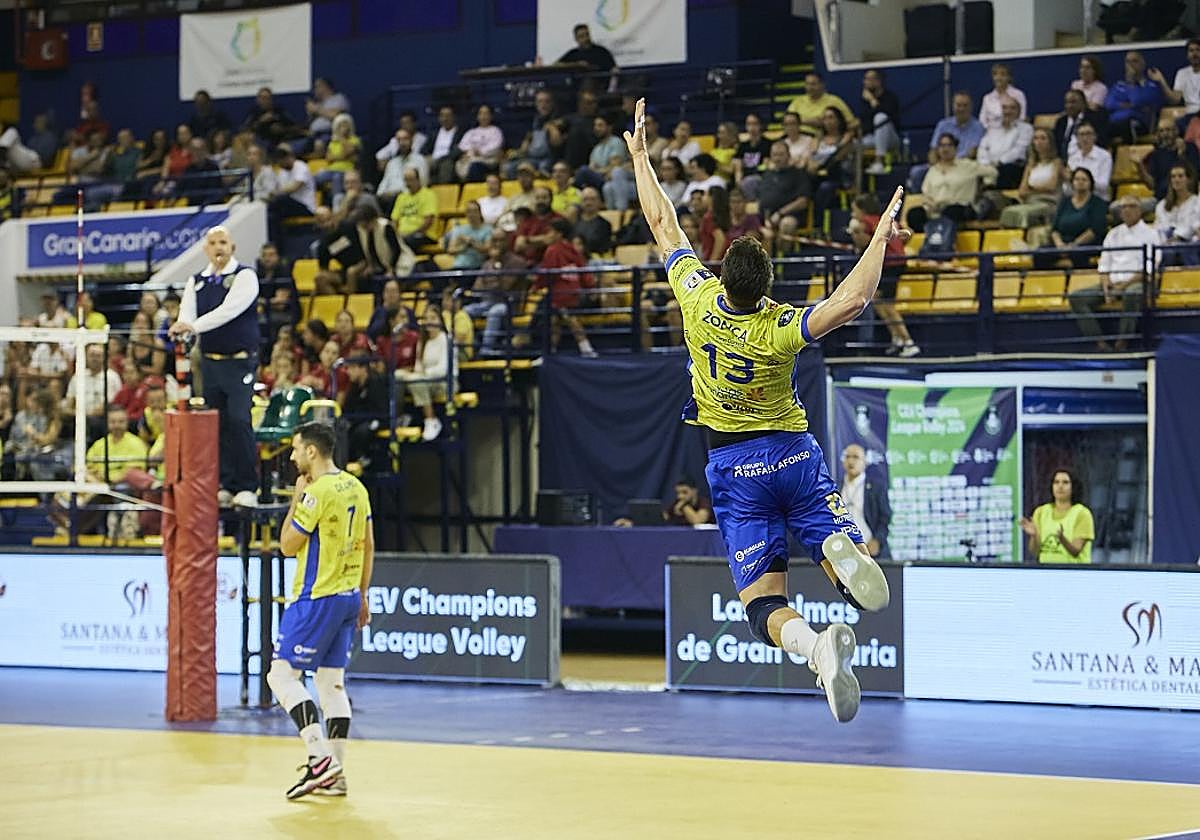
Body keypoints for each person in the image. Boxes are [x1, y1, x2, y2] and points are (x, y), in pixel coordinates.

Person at [624, 97, 894, 723]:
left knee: (760, 604)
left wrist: (641, 155)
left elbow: (662, 222)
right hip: (794, 454)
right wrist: (879, 235)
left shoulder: (696, 298)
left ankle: (812, 645)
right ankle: (840, 556)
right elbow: (853, 299)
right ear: (768, 286)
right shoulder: (782, 326)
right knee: (824, 534)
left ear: (723, 274)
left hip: (734, 466)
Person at [270, 421, 373, 799]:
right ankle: (337, 774)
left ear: (312, 451)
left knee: (280, 677)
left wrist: (297, 498)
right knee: (330, 684)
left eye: (296, 449)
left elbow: (286, 544)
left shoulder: (317, 492)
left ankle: (320, 759)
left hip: (317, 596)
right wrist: (362, 595)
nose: (293, 456)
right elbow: (369, 544)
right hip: (347, 594)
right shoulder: (356, 487)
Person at [168, 226, 261, 507]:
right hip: (210, 363)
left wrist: (192, 327)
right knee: (215, 424)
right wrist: (184, 326)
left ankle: (247, 486)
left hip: (239, 362)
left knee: (239, 420)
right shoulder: (196, 281)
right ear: (206, 249)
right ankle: (226, 483)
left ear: (232, 247)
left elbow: (229, 310)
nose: (218, 247)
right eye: (213, 243)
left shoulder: (245, 276)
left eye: (223, 242)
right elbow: (187, 311)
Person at [1069, 195, 1159, 351]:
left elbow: (1148, 268)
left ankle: (1122, 341)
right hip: (1113, 282)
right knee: (1076, 298)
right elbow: (1104, 264)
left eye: (1131, 206)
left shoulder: (1151, 234)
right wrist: (1105, 285)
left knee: (1132, 294)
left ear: (1140, 211)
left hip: (1138, 282)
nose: (1127, 210)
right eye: (1123, 207)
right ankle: (1100, 342)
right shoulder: (1113, 234)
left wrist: (1122, 286)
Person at [1039, 167, 1110, 270]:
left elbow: (1095, 230)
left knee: (1078, 255)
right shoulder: (1064, 202)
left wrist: (1073, 245)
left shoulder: (1098, 203)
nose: (1080, 182)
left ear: (1091, 183)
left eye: (1084, 179)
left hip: (1085, 244)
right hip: (1062, 244)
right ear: (1072, 182)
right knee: (1040, 253)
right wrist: (1060, 245)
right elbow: (1054, 229)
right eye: (1077, 179)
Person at [1018, 469, 1094, 564]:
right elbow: (1035, 552)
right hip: (1046, 572)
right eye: (1056, 482)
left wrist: (1062, 539)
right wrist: (1034, 536)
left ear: (1073, 487)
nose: (1060, 486)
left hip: (1074, 573)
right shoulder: (1041, 512)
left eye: (1065, 482)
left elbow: (1076, 551)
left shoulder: (1082, 513)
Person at [999, 127, 1066, 229]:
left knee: (1024, 214)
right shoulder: (1031, 165)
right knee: (1007, 212)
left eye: (1043, 138)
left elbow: (1052, 186)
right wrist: (1040, 189)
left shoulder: (1056, 163)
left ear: (1050, 142)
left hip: (1049, 203)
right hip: (1031, 202)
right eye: (1036, 138)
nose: (1039, 142)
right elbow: (1022, 191)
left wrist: (1031, 189)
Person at [839, 444, 890, 559]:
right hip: (845, 554)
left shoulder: (876, 487)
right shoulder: (836, 487)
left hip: (871, 551)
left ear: (865, 462)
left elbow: (885, 518)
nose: (851, 461)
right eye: (847, 457)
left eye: (856, 457)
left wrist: (877, 540)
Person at [1105, 51, 1163, 145]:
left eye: (1134, 61)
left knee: (1127, 125)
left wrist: (1131, 83)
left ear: (1142, 64)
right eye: (1128, 62)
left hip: (1138, 123)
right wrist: (1128, 105)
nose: (1130, 65)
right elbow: (1108, 104)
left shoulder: (1150, 86)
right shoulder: (1118, 85)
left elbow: (1136, 102)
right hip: (1114, 122)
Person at [859, 68, 900, 174]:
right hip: (872, 138)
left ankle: (879, 161)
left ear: (879, 81)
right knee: (851, 143)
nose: (867, 82)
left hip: (891, 138)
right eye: (866, 79)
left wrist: (872, 101)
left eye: (871, 79)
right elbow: (865, 122)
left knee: (880, 117)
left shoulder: (890, 97)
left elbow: (888, 117)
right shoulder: (864, 100)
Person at [978, 63, 1027, 130]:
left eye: (1003, 74)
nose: (998, 78)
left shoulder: (1018, 95)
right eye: (995, 74)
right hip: (991, 133)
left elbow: (1022, 117)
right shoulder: (987, 98)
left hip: (1014, 131)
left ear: (1009, 77)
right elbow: (982, 120)